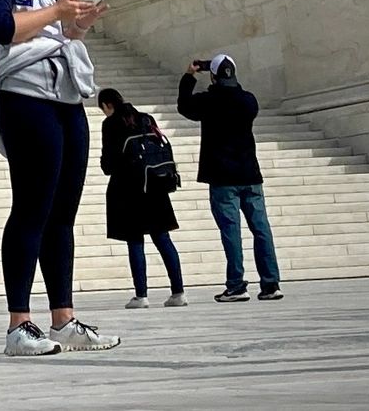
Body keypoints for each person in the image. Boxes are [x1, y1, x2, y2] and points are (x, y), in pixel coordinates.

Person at [0, 0, 120, 359]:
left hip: (66, 96)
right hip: (26, 95)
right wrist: (57, 12)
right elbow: (1, 27)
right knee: (32, 208)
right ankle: (20, 323)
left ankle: (64, 317)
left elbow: (51, 32)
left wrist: (76, 27)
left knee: (63, 213)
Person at [177, 54, 284, 302]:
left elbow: (184, 106)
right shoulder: (248, 101)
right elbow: (237, 96)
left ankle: (236, 285)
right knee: (261, 229)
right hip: (250, 175)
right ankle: (270, 283)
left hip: (223, 177)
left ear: (213, 75)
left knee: (231, 231)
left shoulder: (209, 101)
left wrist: (189, 75)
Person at [96, 89, 185, 308]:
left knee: (135, 241)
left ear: (107, 105)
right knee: (163, 239)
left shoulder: (111, 124)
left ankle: (142, 295)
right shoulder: (146, 118)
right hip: (155, 185)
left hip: (128, 190)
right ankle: (178, 292)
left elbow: (108, 164)